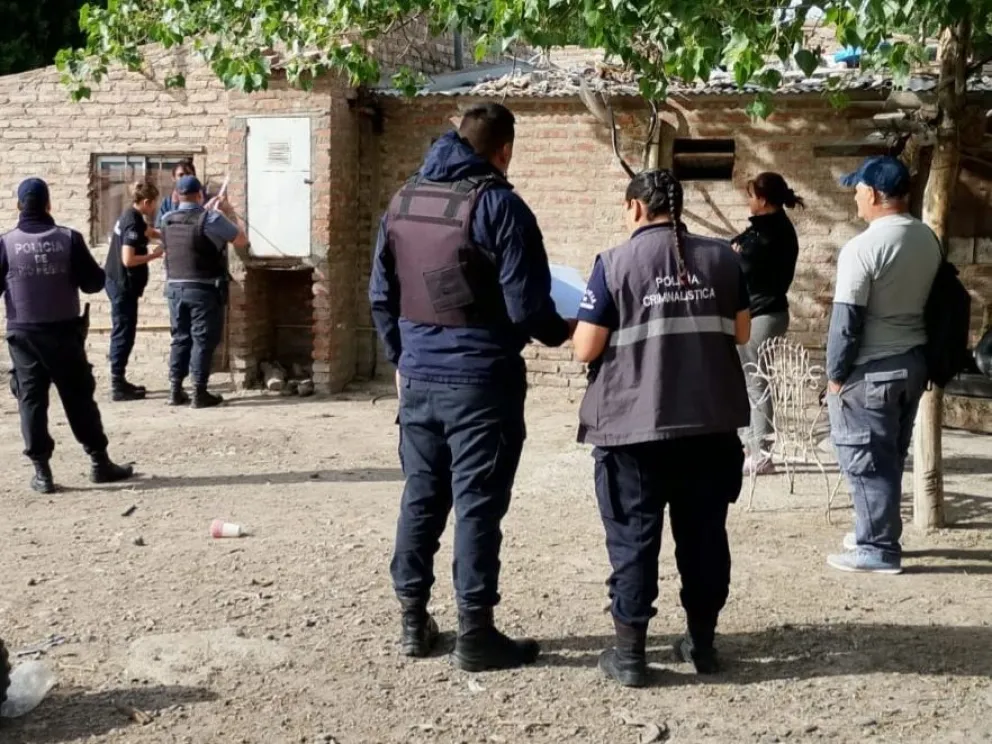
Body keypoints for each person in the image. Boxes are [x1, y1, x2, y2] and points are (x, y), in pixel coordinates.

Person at [369, 103, 574, 672]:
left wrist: (403, 358)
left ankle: (413, 621)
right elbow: (527, 306)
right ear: (503, 151)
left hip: (420, 379)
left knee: (421, 495)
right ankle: (476, 633)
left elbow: (380, 295)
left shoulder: (402, 200)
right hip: (482, 382)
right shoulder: (500, 206)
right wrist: (564, 332)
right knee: (478, 506)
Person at [572, 169, 751, 688]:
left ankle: (630, 656)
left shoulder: (613, 263)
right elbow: (741, 333)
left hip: (634, 430)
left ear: (635, 207)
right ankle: (702, 644)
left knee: (633, 540)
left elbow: (585, 348)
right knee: (704, 539)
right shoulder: (724, 259)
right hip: (710, 426)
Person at [826, 156, 941, 575]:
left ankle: (877, 548)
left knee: (865, 458)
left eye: (858, 190)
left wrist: (835, 376)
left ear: (874, 194)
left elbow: (846, 319)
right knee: (888, 455)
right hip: (912, 362)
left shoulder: (862, 248)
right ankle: (872, 531)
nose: (855, 198)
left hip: (871, 369)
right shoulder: (927, 238)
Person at [1, 178, 135, 493]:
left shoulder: (5, 244)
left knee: (31, 401)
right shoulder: (68, 239)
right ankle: (99, 462)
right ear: (49, 205)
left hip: (24, 336)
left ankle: (42, 473)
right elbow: (93, 283)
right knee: (78, 398)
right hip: (64, 334)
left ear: (19, 206)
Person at [733, 172, 803, 475]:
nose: (748, 201)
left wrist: (736, 255)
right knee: (748, 378)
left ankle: (761, 452)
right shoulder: (764, 228)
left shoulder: (772, 233)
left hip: (763, 314)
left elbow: (744, 265)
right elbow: (737, 247)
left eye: (751, 196)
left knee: (756, 379)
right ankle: (749, 445)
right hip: (760, 312)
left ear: (762, 200)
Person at [160, 175, 248, 408]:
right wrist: (226, 212)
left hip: (174, 288)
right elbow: (240, 240)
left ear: (177, 196)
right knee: (202, 339)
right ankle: (199, 393)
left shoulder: (167, 219)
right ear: (199, 194)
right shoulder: (211, 218)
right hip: (202, 289)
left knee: (180, 338)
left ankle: (175, 390)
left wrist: (208, 212)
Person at [104, 181, 165, 401]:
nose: (155, 207)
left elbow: (148, 231)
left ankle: (120, 380)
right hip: (123, 285)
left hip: (119, 283)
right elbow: (128, 260)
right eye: (154, 203)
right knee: (123, 332)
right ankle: (117, 383)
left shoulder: (133, 216)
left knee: (125, 331)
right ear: (146, 202)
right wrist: (154, 255)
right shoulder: (132, 221)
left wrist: (168, 235)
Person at [155, 159, 197, 229]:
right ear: (173, 178)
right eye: (181, 175)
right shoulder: (168, 202)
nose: (185, 178)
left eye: (188, 174)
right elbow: (159, 227)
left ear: (194, 177)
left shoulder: (202, 199)